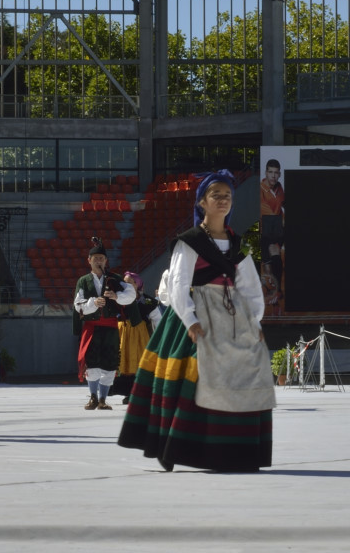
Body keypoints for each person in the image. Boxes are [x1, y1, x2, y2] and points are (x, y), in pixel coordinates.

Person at [118, 170, 275, 472]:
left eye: (227, 195)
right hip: (195, 316)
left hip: (230, 319)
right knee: (192, 380)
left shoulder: (235, 243)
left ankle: (233, 451)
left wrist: (254, 322)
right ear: (202, 202)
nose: (223, 200)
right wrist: (189, 321)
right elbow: (177, 285)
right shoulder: (189, 242)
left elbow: (251, 289)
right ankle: (171, 445)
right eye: (216, 195)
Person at [73, 236, 135, 410]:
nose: (98, 261)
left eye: (101, 258)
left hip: (110, 327)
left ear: (106, 260)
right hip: (92, 328)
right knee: (92, 362)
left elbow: (131, 295)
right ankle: (93, 397)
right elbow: (78, 305)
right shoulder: (83, 281)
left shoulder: (114, 279)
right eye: (95, 258)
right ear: (89, 261)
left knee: (109, 362)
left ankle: (102, 400)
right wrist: (93, 303)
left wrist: (116, 297)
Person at [111, 271, 157, 403]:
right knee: (123, 363)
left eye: (130, 282)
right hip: (122, 335)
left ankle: (139, 393)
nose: (127, 285)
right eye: (125, 282)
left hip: (140, 337)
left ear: (138, 285)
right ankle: (127, 392)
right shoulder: (117, 300)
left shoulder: (148, 301)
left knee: (138, 362)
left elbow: (158, 320)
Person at [258, 158, 285, 307]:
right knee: (268, 263)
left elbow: (282, 204)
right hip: (265, 229)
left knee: (273, 257)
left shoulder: (280, 189)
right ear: (266, 173)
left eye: (276, 173)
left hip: (276, 230)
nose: (273, 176)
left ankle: (276, 291)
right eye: (270, 172)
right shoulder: (260, 190)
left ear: (279, 174)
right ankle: (274, 291)